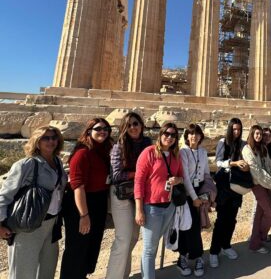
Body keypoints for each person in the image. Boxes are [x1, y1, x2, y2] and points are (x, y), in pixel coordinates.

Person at [0, 126, 67, 279]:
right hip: (27, 226)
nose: (51, 141)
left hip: (51, 226)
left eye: (54, 137)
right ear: (37, 141)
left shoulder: (57, 163)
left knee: (46, 273)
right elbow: (5, 195)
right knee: (22, 274)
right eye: (46, 138)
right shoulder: (26, 165)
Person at [60, 118, 113, 279]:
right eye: (98, 128)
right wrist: (83, 215)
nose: (102, 131)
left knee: (91, 244)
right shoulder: (82, 153)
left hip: (98, 200)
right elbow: (78, 186)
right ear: (89, 131)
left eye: (106, 128)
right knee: (77, 247)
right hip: (81, 203)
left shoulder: (104, 150)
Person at [134, 122, 184, 279]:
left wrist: (177, 180)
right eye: (166, 134)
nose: (169, 137)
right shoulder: (149, 153)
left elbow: (182, 177)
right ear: (160, 134)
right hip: (151, 207)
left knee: (153, 245)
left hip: (169, 206)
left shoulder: (176, 155)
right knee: (149, 248)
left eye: (173, 135)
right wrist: (139, 209)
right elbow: (139, 181)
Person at [107, 112, 151, 279]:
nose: (133, 127)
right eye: (129, 125)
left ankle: (123, 275)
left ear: (141, 125)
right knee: (123, 239)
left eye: (136, 123)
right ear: (124, 128)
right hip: (121, 194)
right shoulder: (119, 146)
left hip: (139, 194)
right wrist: (138, 174)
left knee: (133, 237)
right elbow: (116, 175)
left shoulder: (147, 143)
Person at [210, 118, 247, 268]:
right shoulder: (222, 142)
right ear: (230, 129)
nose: (237, 132)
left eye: (239, 129)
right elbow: (218, 162)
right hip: (224, 185)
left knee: (232, 219)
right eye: (234, 129)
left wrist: (244, 167)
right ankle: (214, 251)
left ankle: (226, 246)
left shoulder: (243, 144)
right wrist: (234, 163)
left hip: (237, 185)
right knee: (221, 220)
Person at [177, 124, 212, 277]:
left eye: (197, 134)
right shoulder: (183, 152)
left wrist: (208, 193)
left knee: (195, 225)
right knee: (188, 225)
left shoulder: (203, 152)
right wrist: (194, 198)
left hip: (199, 192)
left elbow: (206, 174)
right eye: (191, 134)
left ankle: (185, 257)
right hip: (187, 193)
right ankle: (196, 257)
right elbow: (185, 177)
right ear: (187, 136)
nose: (194, 136)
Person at [242, 125, 271, 254]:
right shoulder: (247, 149)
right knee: (269, 213)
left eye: (260, 134)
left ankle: (256, 242)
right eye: (256, 133)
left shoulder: (263, 148)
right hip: (258, 185)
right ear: (251, 134)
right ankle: (258, 239)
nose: (259, 136)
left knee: (260, 214)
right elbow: (255, 171)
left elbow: (270, 165)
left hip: (269, 184)